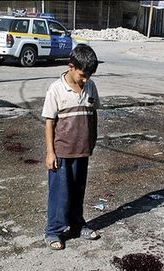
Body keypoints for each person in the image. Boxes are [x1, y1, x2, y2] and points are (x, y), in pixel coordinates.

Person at [42, 43, 100, 250]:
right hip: (62, 152)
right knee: (60, 193)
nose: (85, 80)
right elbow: (49, 121)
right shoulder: (56, 89)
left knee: (78, 191)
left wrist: (92, 140)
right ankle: (54, 231)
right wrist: (50, 152)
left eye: (89, 76)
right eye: (83, 75)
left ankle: (77, 224)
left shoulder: (90, 86)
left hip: (82, 150)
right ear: (71, 66)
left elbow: (93, 114)